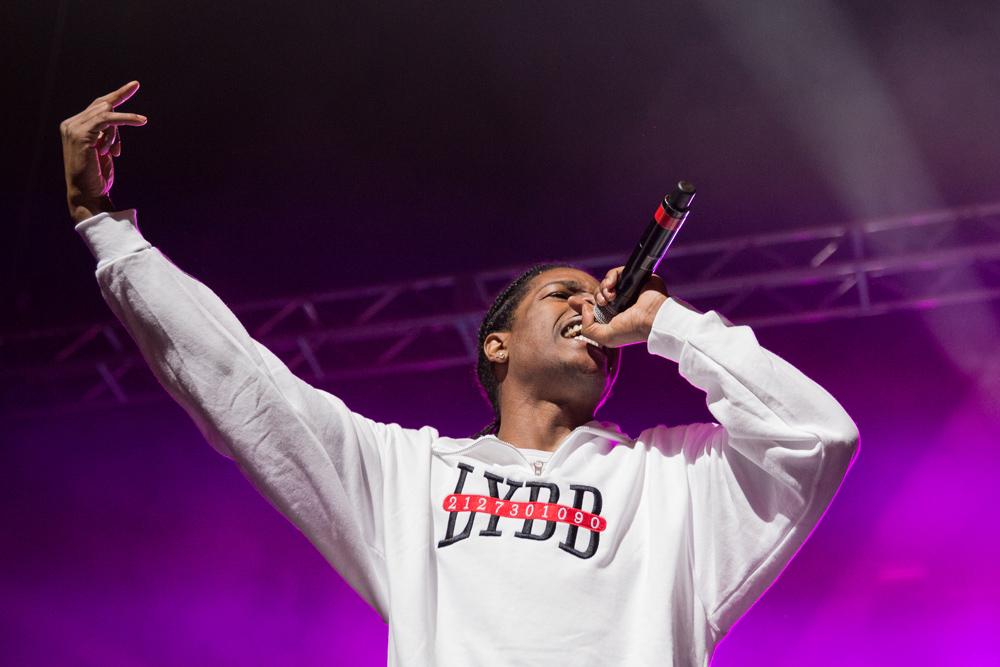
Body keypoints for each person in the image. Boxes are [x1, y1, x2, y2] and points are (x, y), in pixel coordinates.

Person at [61, 82, 860, 666]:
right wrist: (106, 230)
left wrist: (672, 326)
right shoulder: (408, 475)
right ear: (498, 345)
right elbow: (243, 384)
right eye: (563, 295)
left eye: (602, 301)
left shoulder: (675, 481)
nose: (593, 308)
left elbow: (817, 436)